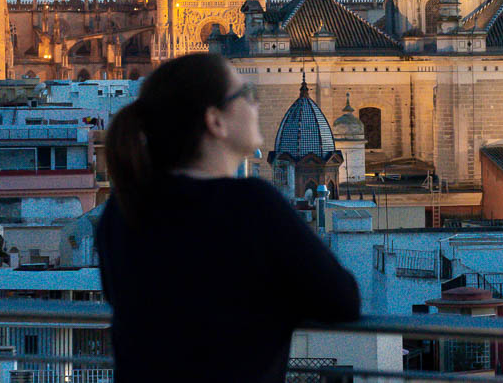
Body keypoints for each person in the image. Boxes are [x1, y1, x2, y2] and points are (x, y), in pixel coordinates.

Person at [97, 53, 361, 383]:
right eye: (245, 94)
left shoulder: (122, 208)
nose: (255, 104)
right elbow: (342, 300)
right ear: (215, 121)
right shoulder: (253, 205)